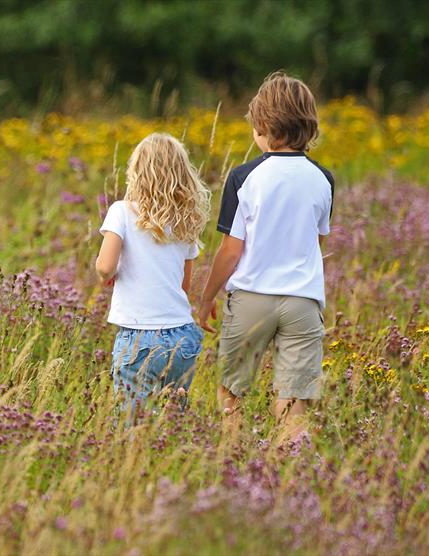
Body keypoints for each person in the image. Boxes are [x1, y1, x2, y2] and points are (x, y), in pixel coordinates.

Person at [196, 71, 333, 443]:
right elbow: (316, 244)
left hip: (252, 298)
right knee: (294, 400)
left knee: (231, 392)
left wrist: (206, 297)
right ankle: (292, 470)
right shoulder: (323, 179)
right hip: (303, 302)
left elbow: (231, 250)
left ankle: (233, 462)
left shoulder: (244, 177)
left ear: (262, 126)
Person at [96, 133, 211, 421]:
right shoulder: (186, 220)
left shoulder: (121, 211)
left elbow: (104, 266)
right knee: (172, 423)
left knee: (131, 426)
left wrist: (113, 273)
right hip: (182, 336)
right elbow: (183, 286)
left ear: (136, 171)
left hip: (139, 337)